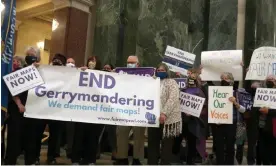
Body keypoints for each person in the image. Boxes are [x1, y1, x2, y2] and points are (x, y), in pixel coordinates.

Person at [4, 47, 41, 165]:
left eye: (33, 54)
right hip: (17, 110)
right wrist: (19, 103)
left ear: (38, 57)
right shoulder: (20, 71)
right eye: (28, 54)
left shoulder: (43, 71)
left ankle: (30, 162)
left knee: (31, 140)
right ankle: (10, 162)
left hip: (33, 111)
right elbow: (12, 88)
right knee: (14, 139)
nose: (30, 56)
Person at [71, 56, 104, 165]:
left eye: (94, 61)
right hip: (82, 110)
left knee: (93, 136)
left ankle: (90, 159)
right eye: (90, 60)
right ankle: (76, 159)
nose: (91, 63)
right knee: (79, 135)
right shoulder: (82, 72)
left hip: (96, 111)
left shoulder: (103, 75)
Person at [35, 53, 67, 164]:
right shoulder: (44, 70)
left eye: (59, 61)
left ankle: (51, 157)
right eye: (55, 60)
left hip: (56, 109)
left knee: (55, 136)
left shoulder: (67, 74)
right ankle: (35, 156)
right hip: (42, 107)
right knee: (38, 133)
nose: (56, 63)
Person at [147, 63, 182, 165]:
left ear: (167, 72)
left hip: (169, 118)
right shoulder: (152, 82)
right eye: (159, 70)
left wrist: (164, 113)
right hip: (153, 117)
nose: (160, 72)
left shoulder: (172, 83)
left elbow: (173, 99)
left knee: (166, 145)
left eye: (163, 70)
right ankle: (152, 163)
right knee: (152, 143)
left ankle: (164, 163)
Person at [115, 56, 146, 165]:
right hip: (124, 110)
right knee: (121, 134)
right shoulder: (120, 75)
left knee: (139, 136)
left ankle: (137, 159)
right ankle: (122, 158)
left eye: (132, 62)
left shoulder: (145, 76)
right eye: (128, 62)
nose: (130, 64)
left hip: (139, 110)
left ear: (138, 64)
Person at [173, 69, 207, 164]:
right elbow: (177, 103)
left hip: (194, 121)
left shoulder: (200, 91)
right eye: (190, 79)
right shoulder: (183, 90)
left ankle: (190, 162)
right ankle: (177, 159)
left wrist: (194, 112)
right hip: (182, 120)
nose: (191, 80)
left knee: (192, 143)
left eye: (193, 79)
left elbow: (203, 106)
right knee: (177, 140)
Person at [214, 72, 246, 165]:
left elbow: (243, 110)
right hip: (219, 123)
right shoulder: (216, 92)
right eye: (222, 78)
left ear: (231, 81)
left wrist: (235, 103)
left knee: (230, 147)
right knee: (219, 146)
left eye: (226, 78)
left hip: (232, 123)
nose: (224, 80)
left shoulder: (237, 93)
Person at [257, 75, 276, 165]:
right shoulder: (260, 92)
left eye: (272, 80)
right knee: (263, 152)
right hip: (261, 127)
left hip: (273, 127)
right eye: (268, 80)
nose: (270, 82)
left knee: (272, 152)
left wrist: (269, 111)